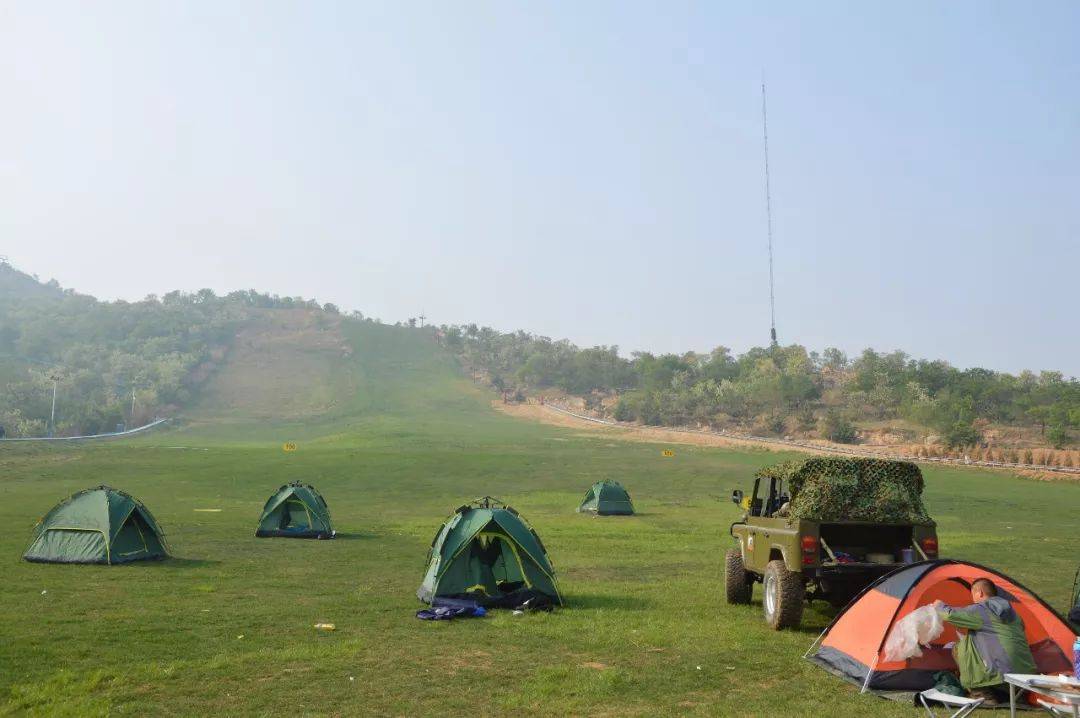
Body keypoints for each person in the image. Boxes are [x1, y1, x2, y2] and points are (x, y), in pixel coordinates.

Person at [933, 578, 1037, 704]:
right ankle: (1017, 695)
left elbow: (951, 615)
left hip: (1000, 673)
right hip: (1025, 675)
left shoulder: (981, 608)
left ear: (980, 593)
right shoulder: (1014, 614)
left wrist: (939, 606)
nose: (973, 600)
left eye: (973, 595)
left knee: (959, 648)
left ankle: (981, 694)